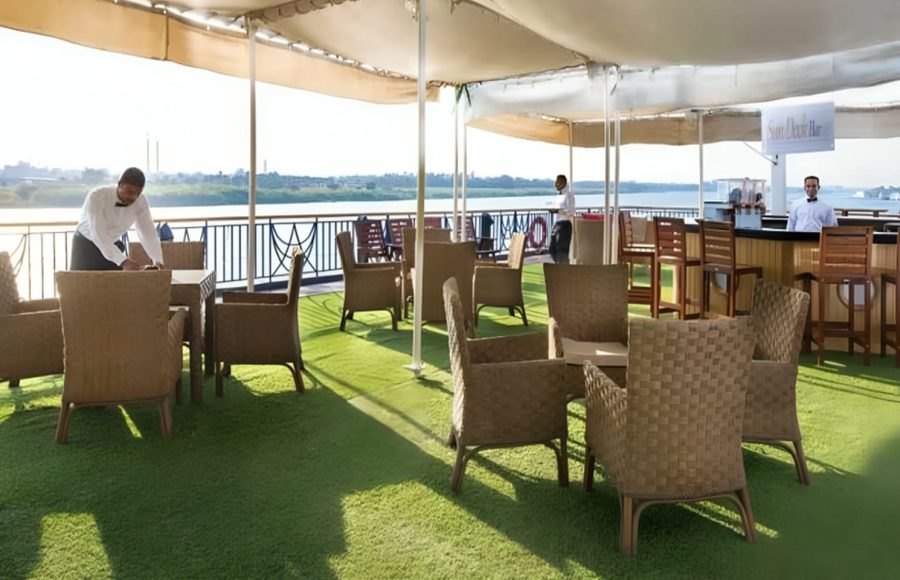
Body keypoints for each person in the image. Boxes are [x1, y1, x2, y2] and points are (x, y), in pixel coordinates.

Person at [70, 167, 163, 270]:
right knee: (80, 284)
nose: (133, 197)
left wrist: (157, 261)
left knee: (115, 285)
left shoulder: (141, 201)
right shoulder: (97, 196)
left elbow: (148, 232)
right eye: (129, 191)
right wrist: (123, 261)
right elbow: (98, 233)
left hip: (112, 247)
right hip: (85, 245)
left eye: (138, 193)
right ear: (119, 185)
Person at [549, 174, 575, 263]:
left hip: (565, 225)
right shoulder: (559, 195)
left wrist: (557, 211)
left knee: (562, 252)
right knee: (552, 249)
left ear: (563, 182)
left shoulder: (569, 195)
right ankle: (559, 267)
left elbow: (570, 212)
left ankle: (564, 272)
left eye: (558, 182)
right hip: (557, 224)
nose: (555, 184)